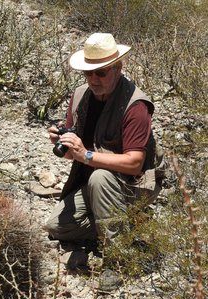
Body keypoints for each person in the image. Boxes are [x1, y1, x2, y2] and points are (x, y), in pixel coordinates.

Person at [44, 33, 165, 283]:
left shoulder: (135, 105)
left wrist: (85, 154)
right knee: (57, 227)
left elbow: (134, 164)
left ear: (118, 68)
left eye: (101, 72)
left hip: (135, 182)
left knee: (100, 177)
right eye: (89, 73)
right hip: (96, 183)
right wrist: (65, 145)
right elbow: (73, 154)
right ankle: (126, 221)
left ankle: (118, 257)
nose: (93, 79)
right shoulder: (80, 96)